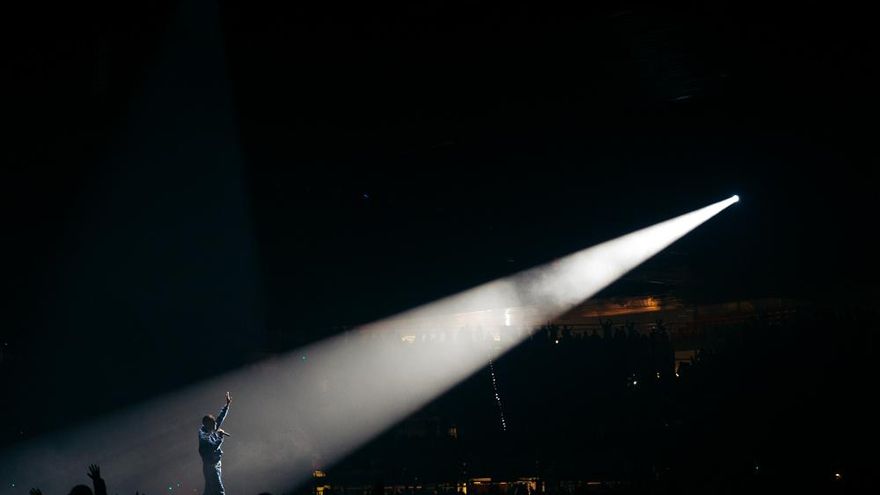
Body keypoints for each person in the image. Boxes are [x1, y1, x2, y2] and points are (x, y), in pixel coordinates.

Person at [199, 392, 232, 495]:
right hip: (210, 466)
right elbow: (212, 446)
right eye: (213, 426)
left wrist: (227, 405)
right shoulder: (203, 436)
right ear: (207, 425)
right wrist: (220, 437)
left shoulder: (212, 427)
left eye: (215, 425)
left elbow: (220, 418)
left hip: (215, 463)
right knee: (219, 491)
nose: (215, 427)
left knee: (209, 491)